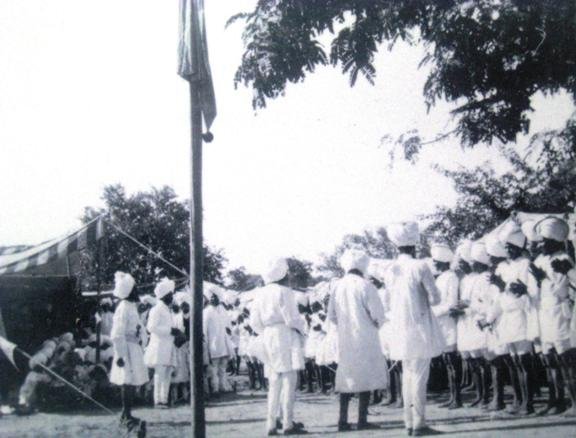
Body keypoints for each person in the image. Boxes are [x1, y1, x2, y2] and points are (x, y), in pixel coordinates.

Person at [386, 222, 444, 436]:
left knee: (407, 376)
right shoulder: (420, 266)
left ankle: (409, 422)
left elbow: (387, 302)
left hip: (399, 330)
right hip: (418, 328)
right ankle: (419, 423)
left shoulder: (390, 270)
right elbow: (435, 298)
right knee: (419, 375)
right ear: (415, 244)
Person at [328, 249, 388, 432]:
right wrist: (374, 324)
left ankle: (342, 420)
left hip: (345, 337)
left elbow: (331, 316)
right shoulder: (366, 285)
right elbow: (378, 315)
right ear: (363, 265)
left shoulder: (336, 286)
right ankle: (362, 419)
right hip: (365, 336)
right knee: (366, 376)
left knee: (347, 376)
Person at [250, 257, 307, 436]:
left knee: (274, 381)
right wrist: (301, 329)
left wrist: (266, 331)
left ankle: (271, 423)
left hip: (267, 335)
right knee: (289, 379)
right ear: (283, 274)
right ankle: (288, 423)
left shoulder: (259, 293)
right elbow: (292, 318)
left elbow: (254, 322)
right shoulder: (285, 291)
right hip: (285, 335)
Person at [531, 217, 576, 416]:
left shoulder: (564, 259)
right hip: (543, 314)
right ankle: (555, 400)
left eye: (544, 241)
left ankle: (573, 401)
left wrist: (544, 280)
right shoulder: (539, 261)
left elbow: (561, 292)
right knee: (549, 360)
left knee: (564, 359)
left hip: (558, 314)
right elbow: (534, 293)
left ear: (555, 241)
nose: (540, 245)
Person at [109, 271, 148, 435]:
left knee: (131, 382)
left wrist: (141, 337)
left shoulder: (132, 306)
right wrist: (121, 354)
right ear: (129, 290)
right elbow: (117, 333)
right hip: (126, 349)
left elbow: (137, 327)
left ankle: (127, 413)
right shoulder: (123, 307)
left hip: (133, 347)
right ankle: (126, 414)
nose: (137, 290)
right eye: (135, 287)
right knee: (127, 381)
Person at [430, 243, 461, 409]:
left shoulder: (451, 277)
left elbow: (451, 303)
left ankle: (457, 398)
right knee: (447, 362)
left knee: (452, 361)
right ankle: (452, 396)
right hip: (440, 324)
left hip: (448, 322)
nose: (433, 263)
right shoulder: (440, 277)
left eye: (435, 260)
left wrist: (433, 313)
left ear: (442, 261)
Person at [144, 278, 180, 408]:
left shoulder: (167, 309)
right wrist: (170, 330)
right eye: (170, 295)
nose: (172, 297)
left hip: (168, 346)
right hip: (159, 346)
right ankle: (158, 400)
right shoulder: (156, 309)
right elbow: (151, 327)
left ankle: (164, 400)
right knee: (160, 373)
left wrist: (174, 331)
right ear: (164, 296)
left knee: (168, 373)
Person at [203, 289, 234, 395]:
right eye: (211, 297)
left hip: (224, 343)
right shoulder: (207, 312)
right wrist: (206, 344)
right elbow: (204, 329)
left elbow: (228, 325)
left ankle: (223, 387)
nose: (213, 299)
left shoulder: (222, 310)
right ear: (209, 299)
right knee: (214, 369)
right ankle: (215, 388)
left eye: (215, 297)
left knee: (223, 368)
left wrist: (229, 331)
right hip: (213, 343)